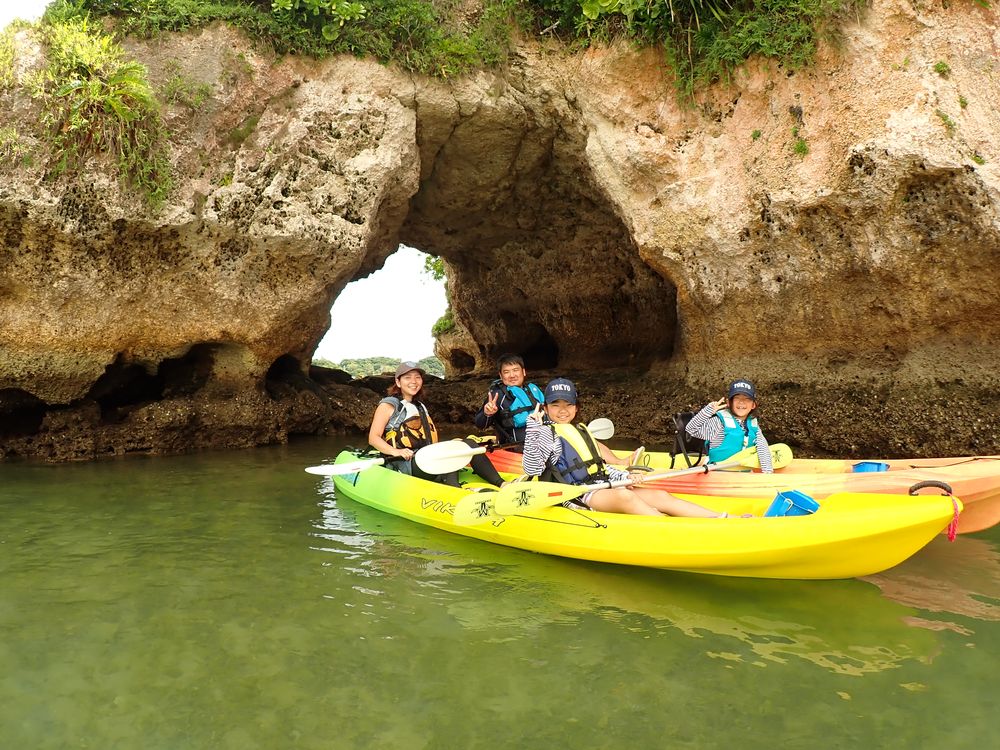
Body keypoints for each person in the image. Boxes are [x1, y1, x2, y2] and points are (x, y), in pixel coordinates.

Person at [521, 378, 731, 518]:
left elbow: (598, 468)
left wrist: (625, 476)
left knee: (660, 495)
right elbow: (532, 468)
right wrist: (532, 429)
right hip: (577, 494)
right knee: (626, 496)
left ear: (576, 408)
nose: (562, 410)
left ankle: (721, 519)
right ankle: (669, 526)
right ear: (546, 408)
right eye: (555, 405)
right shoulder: (545, 434)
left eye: (567, 405)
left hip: (602, 484)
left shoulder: (580, 431)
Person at [368, 361, 460, 487]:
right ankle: (455, 491)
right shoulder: (388, 405)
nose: (414, 381)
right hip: (406, 462)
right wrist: (396, 451)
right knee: (449, 457)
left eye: (417, 377)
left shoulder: (420, 406)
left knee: (467, 444)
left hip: (425, 458)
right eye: (407, 377)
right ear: (398, 382)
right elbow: (373, 438)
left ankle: (497, 485)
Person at [685, 379, 774, 473]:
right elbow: (691, 429)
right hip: (718, 473)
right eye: (737, 398)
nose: (741, 402)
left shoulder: (753, 425)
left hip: (744, 475)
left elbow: (763, 449)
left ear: (753, 405)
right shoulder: (719, 422)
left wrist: (767, 473)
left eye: (747, 399)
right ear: (729, 403)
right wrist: (708, 410)